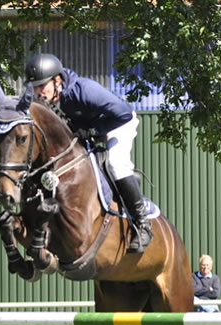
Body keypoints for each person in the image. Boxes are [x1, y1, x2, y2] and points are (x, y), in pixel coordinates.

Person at [23, 53, 154, 254]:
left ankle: (143, 224)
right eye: (35, 87)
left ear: (57, 80)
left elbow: (123, 114)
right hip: (92, 129)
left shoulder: (83, 90)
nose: (38, 92)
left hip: (117, 124)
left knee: (116, 165)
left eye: (42, 86)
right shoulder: (50, 100)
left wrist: (94, 131)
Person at [192, 254, 221, 325]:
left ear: (211, 266)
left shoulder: (215, 278)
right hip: (196, 303)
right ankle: (212, 311)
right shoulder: (193, 276)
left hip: (209, 303)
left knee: (203, 312)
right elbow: (193, 291)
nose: (205, 267)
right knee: (194, 299)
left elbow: (215, 294)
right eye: (203, 265)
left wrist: (201, 289)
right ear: (200, 265)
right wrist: (208, 289)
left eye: (208, 265)